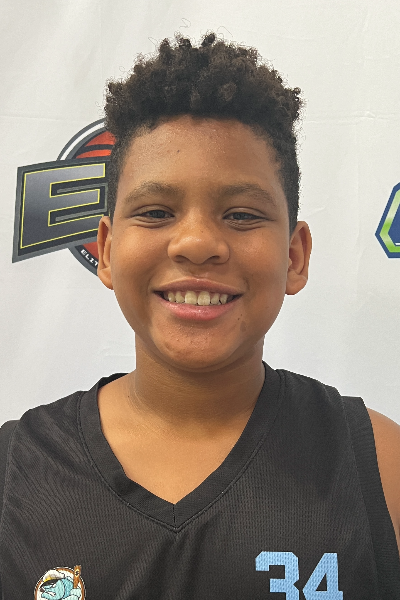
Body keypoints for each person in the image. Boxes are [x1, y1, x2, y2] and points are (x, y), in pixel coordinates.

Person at [1, 32, 400, 599]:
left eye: (241, 215)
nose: (195, 243)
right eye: (156, 212)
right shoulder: (15, 470)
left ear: (294, 256)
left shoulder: (380, 467)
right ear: (106, 251)